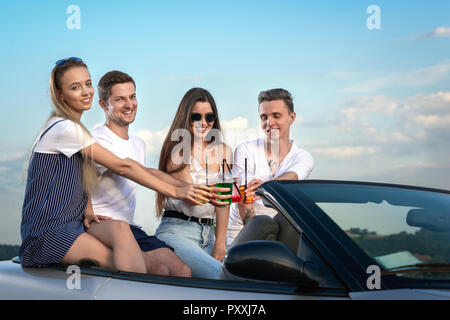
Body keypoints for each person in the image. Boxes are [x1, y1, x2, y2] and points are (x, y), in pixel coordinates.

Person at [19, 58, 213, 273]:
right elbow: (123, 167)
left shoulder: (75, 131)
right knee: (135, 261)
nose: (85, 92)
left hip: (70, 227)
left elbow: (84, 177)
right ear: (60, 94)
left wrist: (88, 208)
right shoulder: (65, 128)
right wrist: (177, 191)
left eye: (88, 83)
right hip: (47, 233)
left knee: (162, 268)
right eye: (75, 87)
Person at [91, 70, 191, 277]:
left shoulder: (139, 143)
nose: (129, 104)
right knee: (160, 271)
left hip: (130, 226)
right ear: (103, 104)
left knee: (182, 271)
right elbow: (126, 168)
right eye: (119, 99)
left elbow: (146, 171)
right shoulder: (98, 140)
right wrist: (175, 191)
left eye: (132, 96)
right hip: (101, 225)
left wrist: (190, 188)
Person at [154, 87, 233, 279]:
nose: (203, 123)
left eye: (209, 117)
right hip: (177, 231)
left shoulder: (224, 151)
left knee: (238, 274)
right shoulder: (177, 150)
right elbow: (193, 197)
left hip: (210, 234)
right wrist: (223, 192)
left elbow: (225, 202)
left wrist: (220, 243)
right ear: (185, 117)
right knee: (219, 276)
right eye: (196, 117)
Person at [226, 88, 314, 248]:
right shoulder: (245, 150)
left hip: (283, 238)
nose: (269, 123)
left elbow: (293, 177)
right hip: (241, 235)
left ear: (292, 117)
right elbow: (242, 200)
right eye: (264, 117)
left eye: (276, 116)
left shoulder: (302, 157)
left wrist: (264, 188)